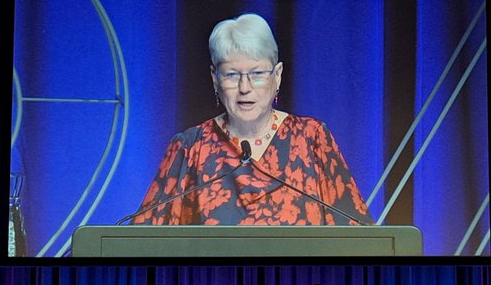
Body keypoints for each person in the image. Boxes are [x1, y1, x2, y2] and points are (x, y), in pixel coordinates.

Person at [129, 12, 373, 226]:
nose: (245, 87)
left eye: (257, 74)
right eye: (232, 75)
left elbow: (358, 238)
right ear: (215, 78)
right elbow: (142, 242)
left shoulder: (313, 139)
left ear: (277, 76)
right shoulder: (191, 148)